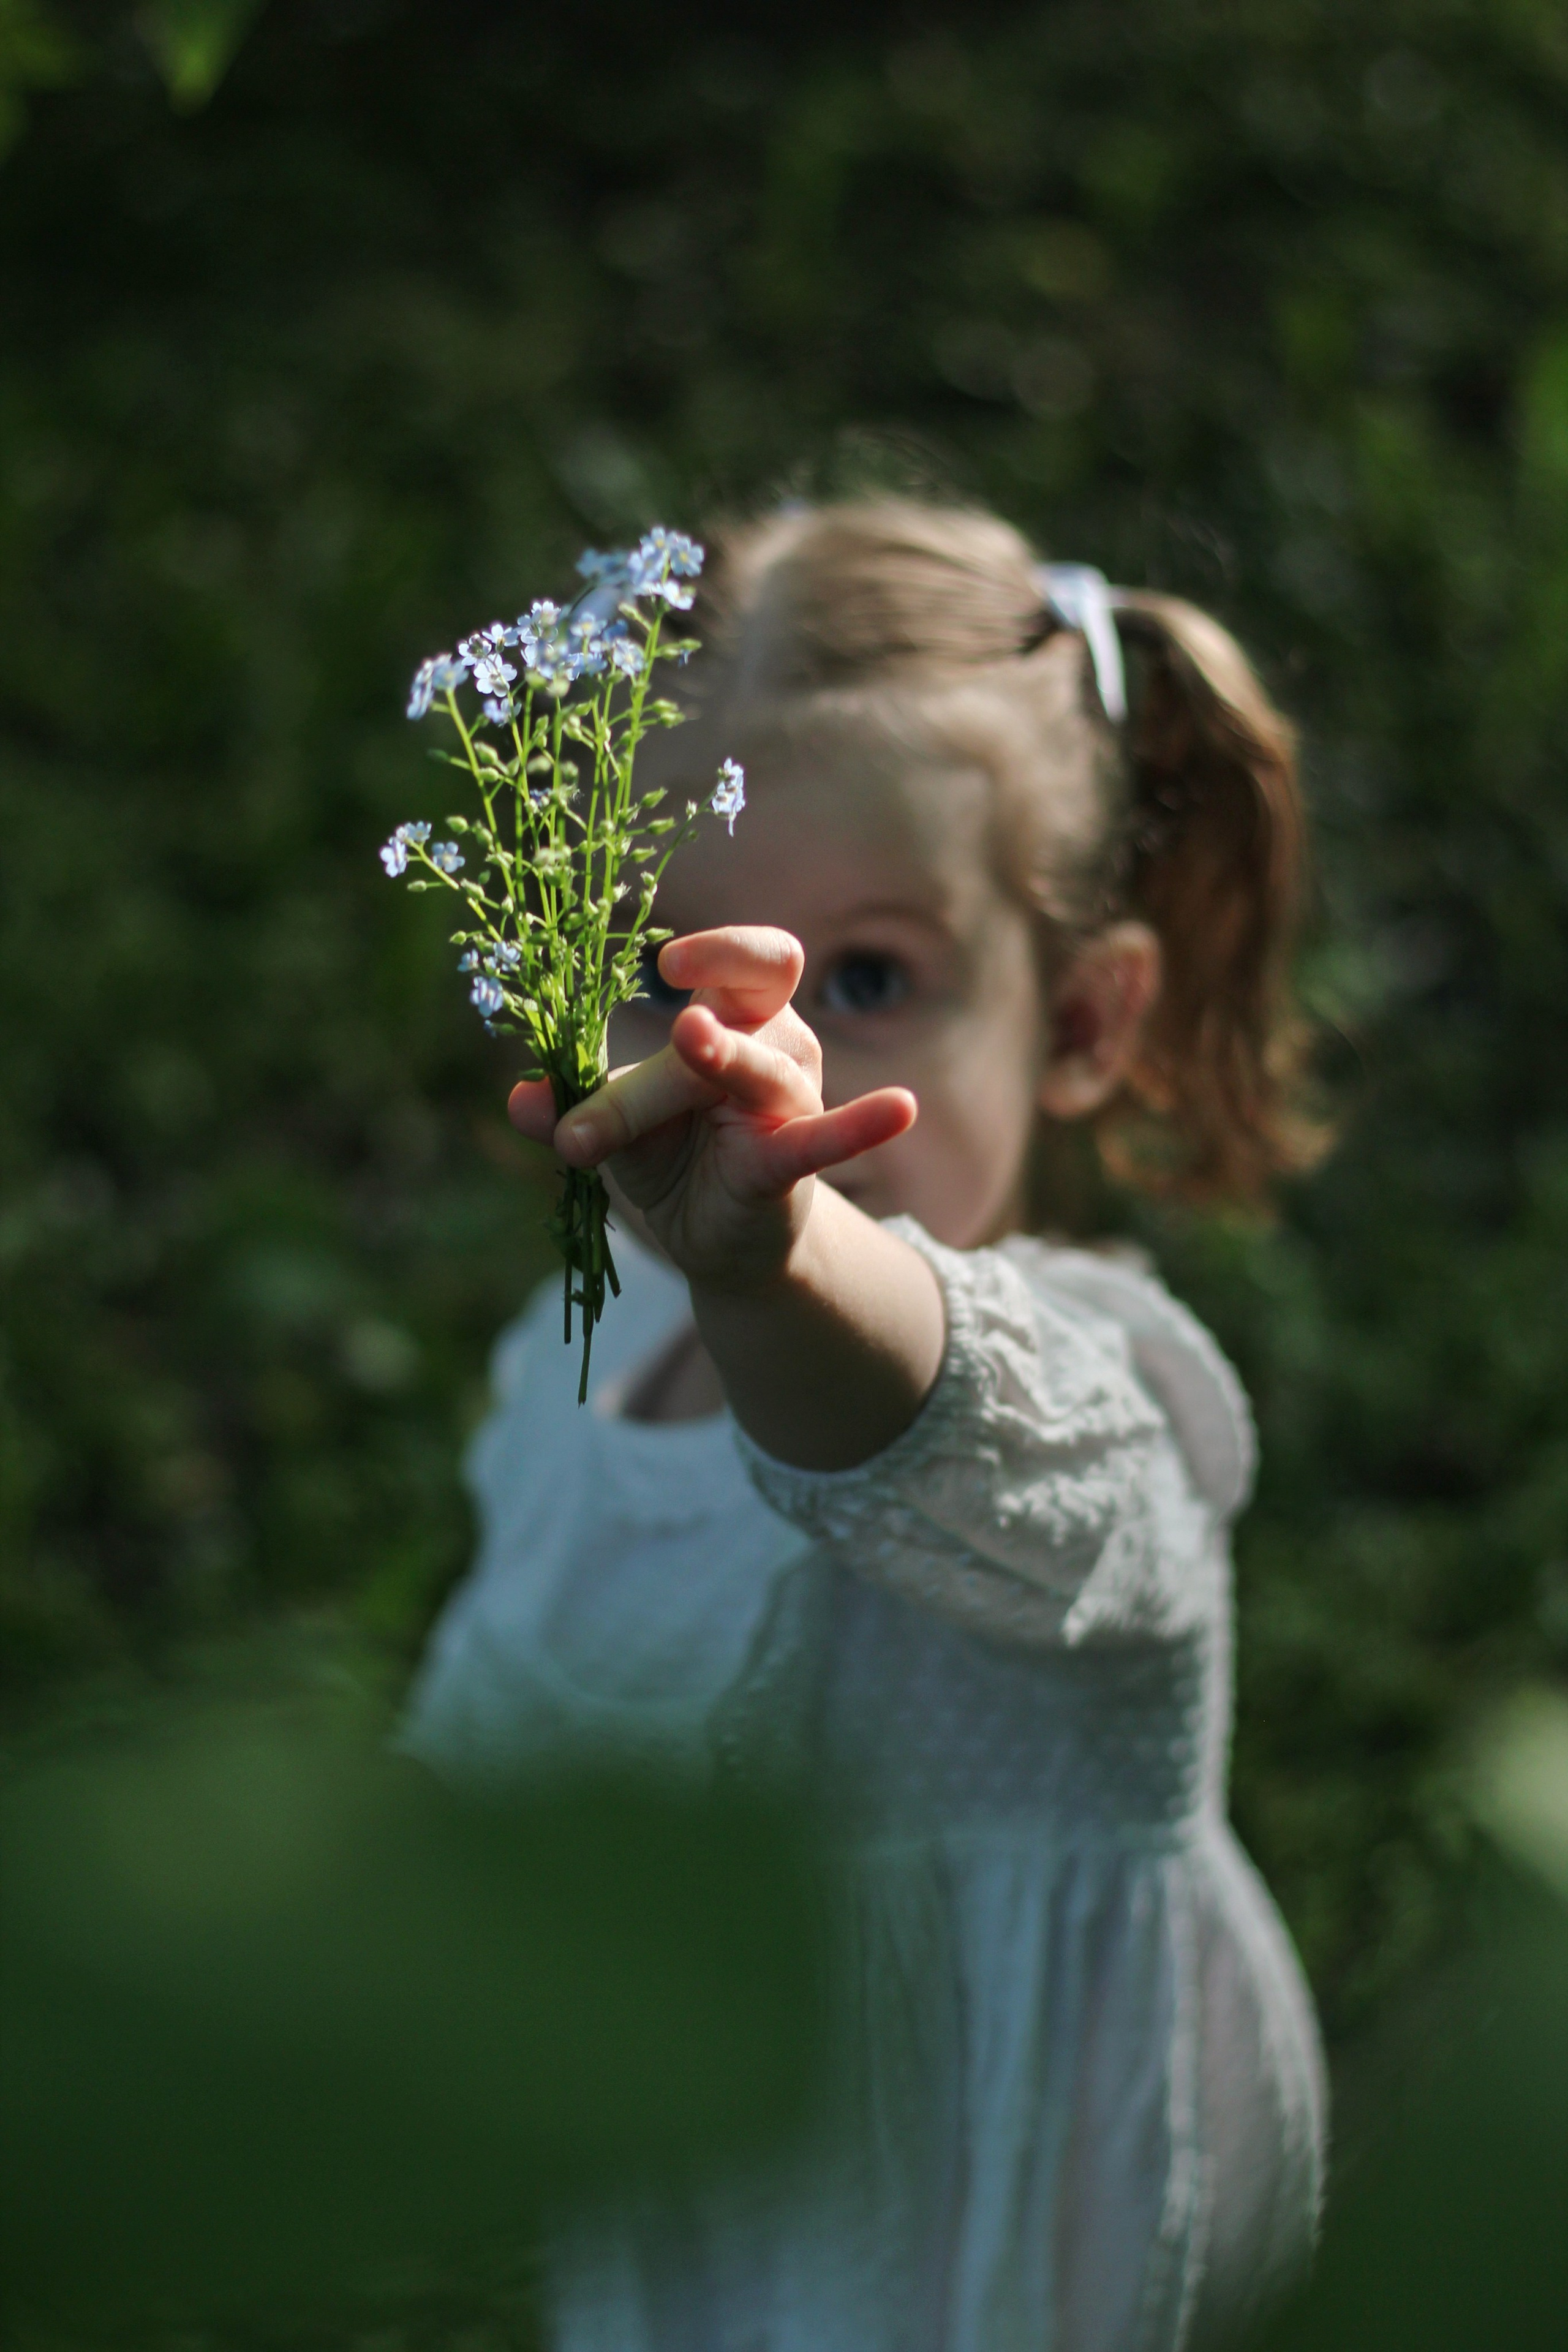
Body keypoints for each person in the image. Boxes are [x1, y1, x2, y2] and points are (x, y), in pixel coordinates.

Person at [402, 499, 1329, 2351]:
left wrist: (783, 1254)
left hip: (1006, 2237)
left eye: (874, 978)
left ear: (1083, 1020)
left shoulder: (1094, 1401)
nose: (771, 1046)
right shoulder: (587, 1358)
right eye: (676, 972)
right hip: (713, 2204)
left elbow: (891, 1407)